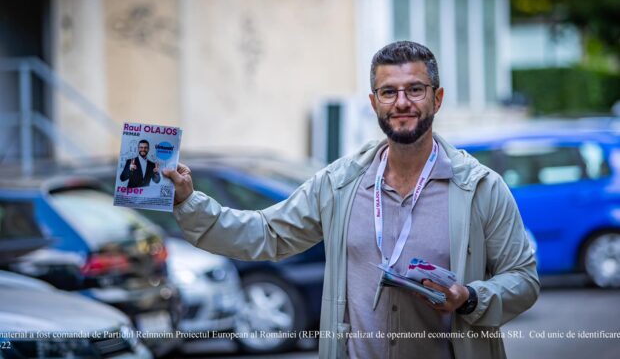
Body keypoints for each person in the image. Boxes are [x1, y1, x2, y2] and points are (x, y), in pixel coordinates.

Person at [164, 41, 539, 359]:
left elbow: (523, 279)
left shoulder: (481, 188)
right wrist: (189, 202)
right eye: (389, 92)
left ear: (437, 99)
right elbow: (266, 233)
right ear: (374, 102)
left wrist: (471, 297)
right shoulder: (339, 183)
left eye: (415, 89)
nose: (402, 102)